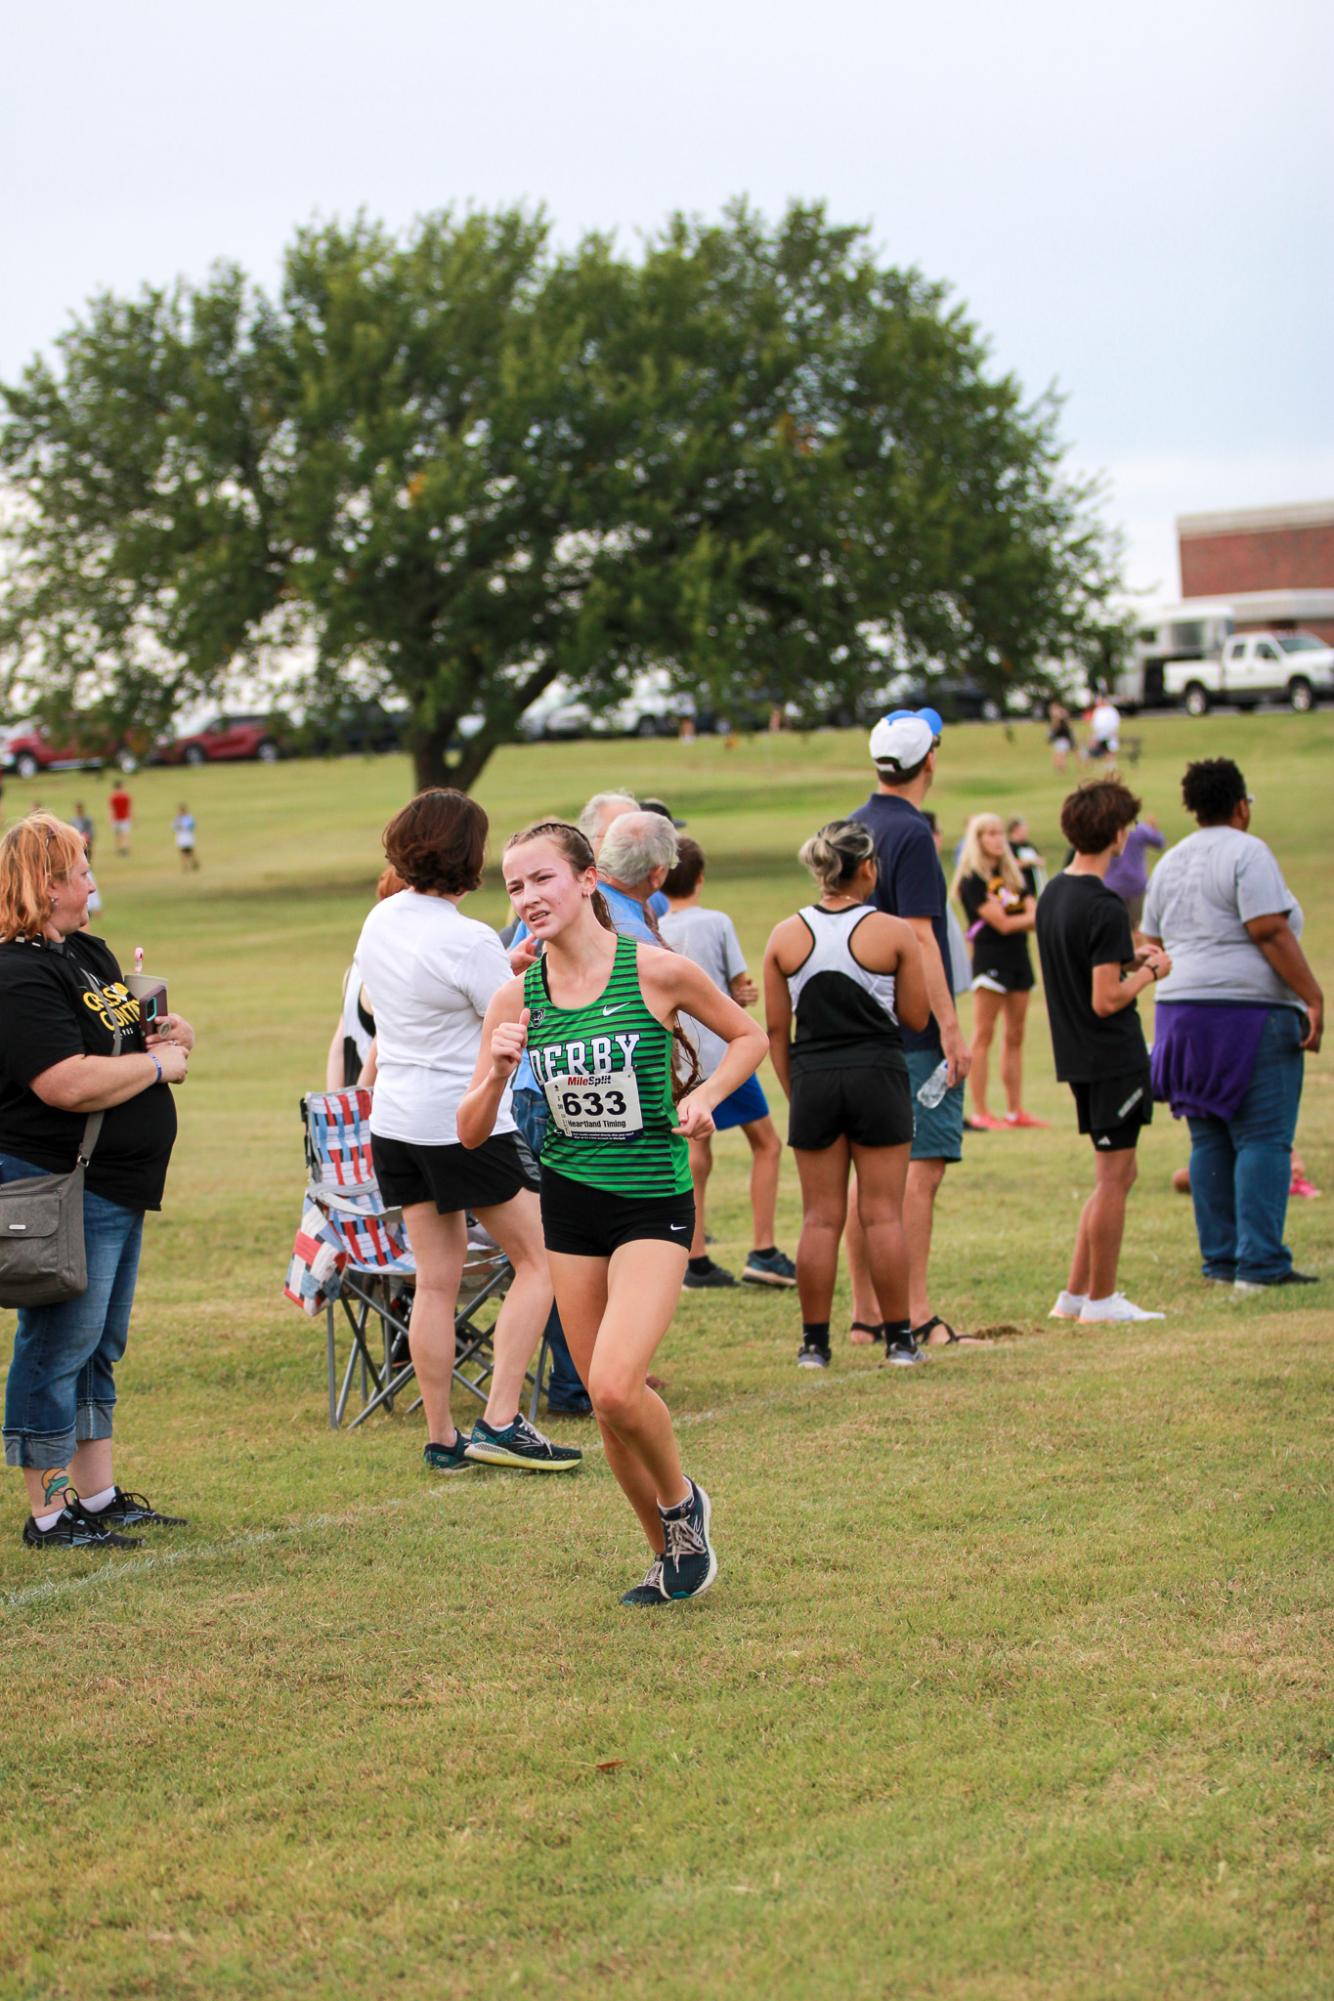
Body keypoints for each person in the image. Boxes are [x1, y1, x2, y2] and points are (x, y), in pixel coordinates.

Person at [459, 819, 766, 1606]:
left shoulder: (657, 972)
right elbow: (467, 1131)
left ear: (589, 880)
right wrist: (495, 1070)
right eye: (515, 885)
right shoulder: (517, 993)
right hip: (570, 1207)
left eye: (542, 879)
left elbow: (748, 1037)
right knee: (602, 1405)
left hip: (651, 1203)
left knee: (620, 1384)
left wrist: (703, 1097)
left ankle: (681, 1506)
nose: (527, 897)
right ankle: (664, 1554)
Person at [354, 789, 581, 1477]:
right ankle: (503, 1419)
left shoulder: (381, 917)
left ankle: (442, 1434)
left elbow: (440, 995)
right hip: (462, 1123)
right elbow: (520, 1017)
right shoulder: (467, 937)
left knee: (435, 1281)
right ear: (470, 856)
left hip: (394, 1119)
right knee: (543, 1259)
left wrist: (498, 973)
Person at [0, 812, 194, 1548]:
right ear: (47, 885)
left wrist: (173, 1034)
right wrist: (154, 1067)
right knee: (56, 1345)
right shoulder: (16, 972)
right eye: (80, 870)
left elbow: (122, 1037)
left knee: (99, 1344)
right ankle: (49, 1512)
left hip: (117, 1181)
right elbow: (62, 1080)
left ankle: (98, 1493)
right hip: (63, 1181)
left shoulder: (85, 950)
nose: (91, 880)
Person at [1141, 758, 1323, 1294]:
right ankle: (1261, 1264)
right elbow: (1267, 928)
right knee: (1263, 1137)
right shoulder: (1249, 852)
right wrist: (1311, 996)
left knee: (1209, 1137)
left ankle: (1220, 1260)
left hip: (1180, 1009)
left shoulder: (1171, 860)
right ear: (1241, 805)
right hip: (1245, 1010)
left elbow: (1151, 939)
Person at [763, 820, 929, 1367]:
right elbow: (915, 1016)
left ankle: (814, 1345)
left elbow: (774, 1032)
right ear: (869, 869)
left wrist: (797, 1090)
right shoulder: (894, 931)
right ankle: (901, 1341)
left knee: (819, 1218)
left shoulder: (784, 935)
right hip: (878, 1075)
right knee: (883, 1215)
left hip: (814, 1078)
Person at [848, 708, 972, 1349]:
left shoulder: (850, 826)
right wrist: (950, 1028)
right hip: (912, 1031)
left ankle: (866, 1315)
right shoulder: (914, 834)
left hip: (857, 1025)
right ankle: (917, 1310)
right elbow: (923, 936)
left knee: (864, 1175)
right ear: (930, 762)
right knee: (921, 1169)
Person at [1035, 779, 1170, 1324]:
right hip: (1112, 1055)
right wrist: (1152, 971)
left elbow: (1086, 963)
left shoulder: (1054, 894)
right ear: (1117, 834)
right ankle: (1103, 1300)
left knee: (1116, 1174)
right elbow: (1107, 997)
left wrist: (1126, 957)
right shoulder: (1105, 903)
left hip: (1077, 1056)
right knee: (1115, 1178)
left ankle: (1074, 1295)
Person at [660, 835, 797, 1291]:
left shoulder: (656, 924)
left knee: (695, 1153)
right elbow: (738, 984)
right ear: (700, 879)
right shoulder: (716, 921)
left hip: (679, 1059)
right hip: (723, 1055)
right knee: (768, 1144)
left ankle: (693, 1256)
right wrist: (743, 994)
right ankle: (763, 1248)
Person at [951, 814, 1045, 1131]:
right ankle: (981, 1110)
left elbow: (1035, 913)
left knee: (1015, 1034)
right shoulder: (971, 881)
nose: (996, 839)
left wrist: (1020, 916)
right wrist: (1023, 917)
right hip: (989, 956)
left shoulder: (1016, 877)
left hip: (1019, 955)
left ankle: (1015, 1109)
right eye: (988, 833)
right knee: (984, 1033)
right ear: (977, 840)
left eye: (999, 833)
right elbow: (1002, 922)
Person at [325, 865, 404, 1090]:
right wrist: (357, 1106)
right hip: (373, 1105)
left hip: (351, 1102)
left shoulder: (355, 970)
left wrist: (337, 1105)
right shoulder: (390, 972)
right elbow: (381, 1044)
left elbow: (338, 1048)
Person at [1104, 813, 1164, 932]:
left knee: (1113, 929)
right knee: (1138, 928)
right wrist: (1153, 829)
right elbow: (1159, 843)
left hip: (1112, 886)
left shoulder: (1105, 829)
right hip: (1135, 885)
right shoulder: (1140, 830)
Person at [1087, 695, 1120, 761]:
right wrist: (1094, 732)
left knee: (1111, 748)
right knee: (1098, 747)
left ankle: (1111, 762)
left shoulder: (1111, 710)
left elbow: (1115, 722)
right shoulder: (1098, 711)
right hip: (1099, 733)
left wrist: (1113, 731)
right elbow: (1094, 722)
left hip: (1110, 732)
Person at [1047, 701, 1076, 774]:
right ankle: (1060, 768)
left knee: (1061, 754)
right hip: (1059, 738)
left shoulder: (1061, 717)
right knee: (1059, 754)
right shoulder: (1057, 718)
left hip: (1063, 738)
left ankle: (1061, 769)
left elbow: (1067, 726)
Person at [173, 803, 200, 872]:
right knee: (183, 852)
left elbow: (192, 826)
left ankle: (194, 863)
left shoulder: (189, 818)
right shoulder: (177, 818)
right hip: (181, 837)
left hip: (188, 836)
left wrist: (184, 827)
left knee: (190, 852)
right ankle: (185, 866)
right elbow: (174, 827)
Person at [108, 783, 132, 857]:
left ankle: (119, 849)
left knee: (118, 835)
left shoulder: (113, 797)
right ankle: (125, 850)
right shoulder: (126, 796)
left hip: (116, 819)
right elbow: (129, 808)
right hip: (125, 818)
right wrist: (131, 817)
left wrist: (110, 818)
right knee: (125, 835)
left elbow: (111, 809)